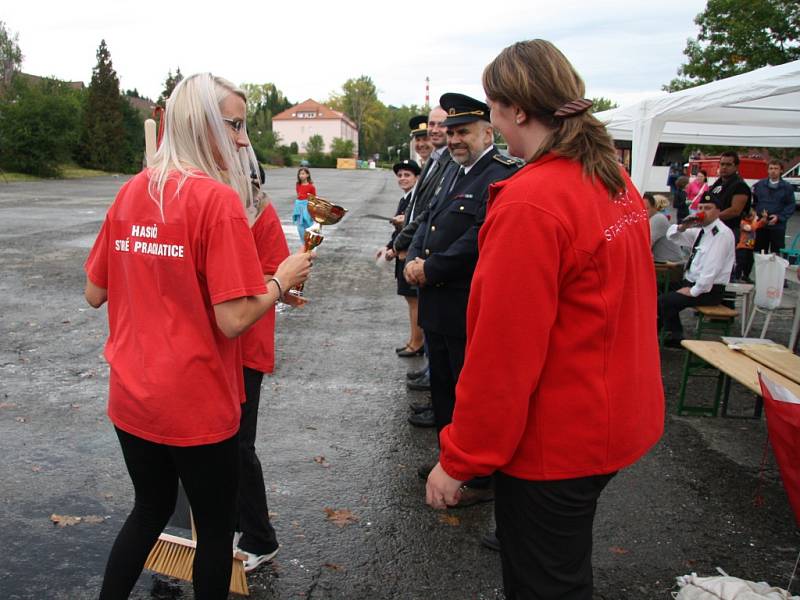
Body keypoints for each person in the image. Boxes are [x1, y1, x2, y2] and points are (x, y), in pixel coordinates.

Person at [425, 40, 664, 599]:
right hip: (610, 418)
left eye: (493, 108)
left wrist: (460, 459)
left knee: (546, 586)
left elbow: (502, 354)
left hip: (558, 441)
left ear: (518, 110)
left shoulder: (534, 202)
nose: (495, 121)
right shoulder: (610, 179)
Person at [84, 73, 312, 599]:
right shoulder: (216, 201)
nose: (241, 139)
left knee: (147, 510)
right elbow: (233, 318)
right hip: (196, 400)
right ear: (201, 122)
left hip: (132, 395)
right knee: (212, 529)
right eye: (234, 125)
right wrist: (281, 281)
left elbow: (95, 291)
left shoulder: (131, 191)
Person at [405, 91, 520, 499]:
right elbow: (430, 220)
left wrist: (430, 268)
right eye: (450, 131)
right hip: (437, 300)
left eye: (464, 131)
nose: (454, 139)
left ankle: (478, 473)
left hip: (467, 300)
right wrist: (413, 256)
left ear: (489, 131)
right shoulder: (454, 170)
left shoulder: (503, 172)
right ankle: (448, 459)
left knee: (470, 392)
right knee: (444, 388)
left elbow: (479, 236)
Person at [235, 165, 300, 572]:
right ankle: (228, 523)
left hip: (244, 344)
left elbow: (283, 274)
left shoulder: (259, 210)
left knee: (238, 444)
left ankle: (260, 536)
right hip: (206, 346)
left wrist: (227, 281)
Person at [657, 196, 736, 347]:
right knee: (661, 288)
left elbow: (712, 268)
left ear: (718, 211)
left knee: (664, 301)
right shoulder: (702, 231)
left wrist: (694, 291)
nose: (703, 212)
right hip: (692, 282)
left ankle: (654, 338)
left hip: (709, 290)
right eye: (700, 208)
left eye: (708, 208)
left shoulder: (721, 234)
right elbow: (673, 236)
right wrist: (682, 226)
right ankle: (674, 334)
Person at [382, 159, 425, 357]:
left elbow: (413, 231)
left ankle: (417, 343)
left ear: (417, 178)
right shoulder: (405, 199)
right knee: (411, 300)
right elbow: (400, 231)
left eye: (407, 175)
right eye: (400, 175)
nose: (402, 179)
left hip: (409, 255)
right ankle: (413, 339)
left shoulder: (415, 200)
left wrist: (395, 248)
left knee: (415, 301)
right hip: (401, 252)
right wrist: (389, 246)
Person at [752, 159, 795, 255]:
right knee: (761, 252)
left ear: (781, 171)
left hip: (778, 226)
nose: (773, 171)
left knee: (776, 253)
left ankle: (775, 270)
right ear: (767, 170)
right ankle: (762, 270)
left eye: (776, 168)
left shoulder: (787, 187)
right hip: (761, 225)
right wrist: (756, 214)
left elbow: (791, 205)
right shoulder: (760, 185)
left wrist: (779, 217)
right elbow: (754, 201)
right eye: (771, 168)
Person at [708, 151, 752, 233]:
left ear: (736, 167)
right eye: (722, 164)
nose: (724, 167)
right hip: (713, 227)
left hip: (730, 230)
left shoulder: (740, 186)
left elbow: (735, 211)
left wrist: (711, 217)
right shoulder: (717, 183)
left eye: (728, 165)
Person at [645, 192, 684, 263]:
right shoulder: (648, 219)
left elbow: (645, 246)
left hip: (670, 264)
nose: (643, 212)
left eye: (646, 208)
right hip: (662, 262)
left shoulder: (657, 219)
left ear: (654, 207)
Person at [732, 208, 767, 283]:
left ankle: (746, 276)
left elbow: (761, 224)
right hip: (742, 246)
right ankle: (737, 277)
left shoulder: (752, 223)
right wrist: (755, 221)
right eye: (753, 216)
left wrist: (764, 217)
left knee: (750, 262)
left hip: (750, 246)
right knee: (740, 262)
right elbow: (750, 228)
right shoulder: (742, 223)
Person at [293, 167, 316, 243]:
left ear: (307, 175)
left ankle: (310, 243)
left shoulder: (311, 187)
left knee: (308, 224)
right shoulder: (298, 185)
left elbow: (314, 199)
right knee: (300, 226)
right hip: (298, 207)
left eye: (303, 174)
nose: (301, 175)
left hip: (307, 207)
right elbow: (298, 194)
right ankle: (303, 243)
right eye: (300, 174)